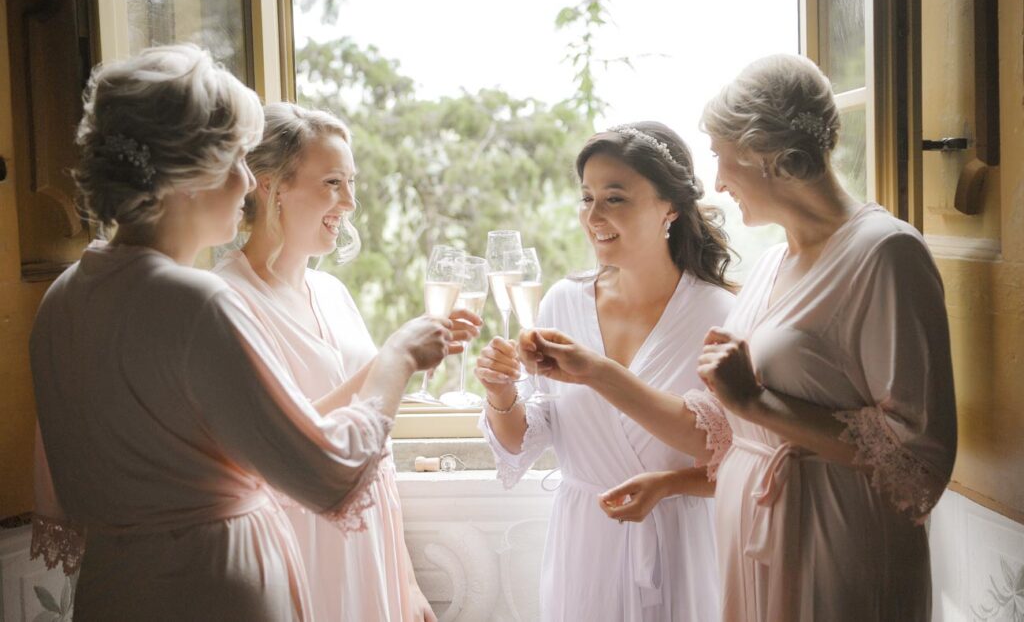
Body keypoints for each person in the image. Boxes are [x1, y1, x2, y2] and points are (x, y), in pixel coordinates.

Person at [29, 45, 468, 621]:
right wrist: (399, 358)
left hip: (117, 588)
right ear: (189, 173)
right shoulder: (196, 301)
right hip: (207, 591)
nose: (246, 184)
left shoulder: (64, 295)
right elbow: (325, 473)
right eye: (235, 160)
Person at [520, 55, 957, 621]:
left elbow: (916, 461)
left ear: (771, 158)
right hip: (757, 549)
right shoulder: (774, 264)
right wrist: (669, 472)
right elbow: (724, 430)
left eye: (725, 160)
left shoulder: (886, 254)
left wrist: (754, 399)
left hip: (833, 541)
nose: (719, 182)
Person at [474, 122, 735, 621]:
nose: (593, 216)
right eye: (586, 197)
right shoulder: (563, 302)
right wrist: (501, 391)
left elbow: (741, 457)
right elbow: (521, 441)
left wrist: (669, 483)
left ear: (671, 207)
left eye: (615, 198)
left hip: (683, 544)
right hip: (585, 543)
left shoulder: (717, 314)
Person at [213, 102, 445, 621]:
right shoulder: (226, 300)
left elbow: (374, 454)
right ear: (269, 187)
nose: (350, 202)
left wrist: (404, 579)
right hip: (301, 547)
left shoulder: (333, 293)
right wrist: (391, 360)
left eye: (352, 183)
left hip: (370, 543)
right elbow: (277, 446)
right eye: (333, 183)